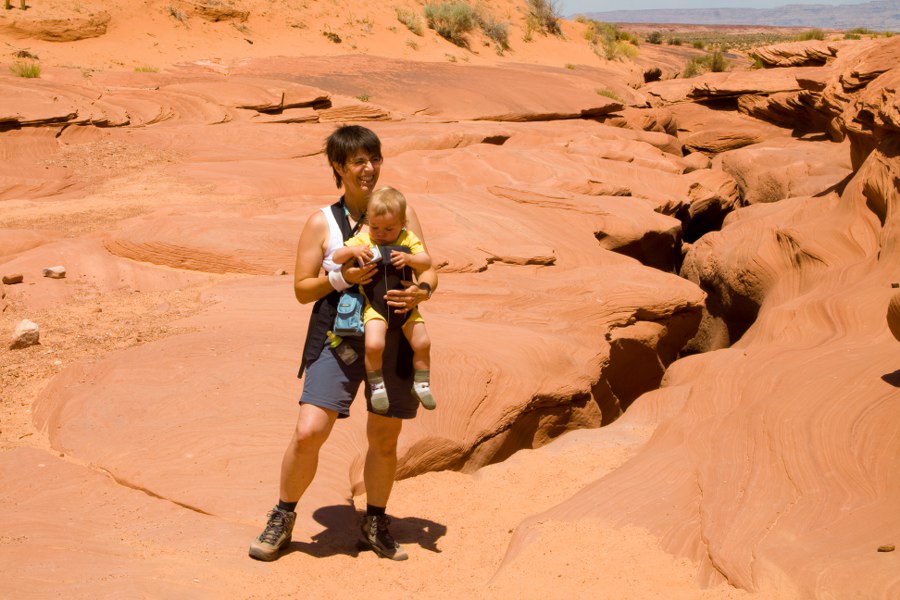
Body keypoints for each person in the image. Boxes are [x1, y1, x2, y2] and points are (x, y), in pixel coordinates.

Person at [249, 125, 437, 563]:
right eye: (358, 161)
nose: (369, 168)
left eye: (375, 158)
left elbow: (430, 269)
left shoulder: (400, 213)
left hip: (392, 335)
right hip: (337, 338)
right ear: (338, 166)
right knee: (309, 430)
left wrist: (421, 293)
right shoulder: (322, 222)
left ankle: (374, 521)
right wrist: (343, 278)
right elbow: (302, 289)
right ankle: (283, 514)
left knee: (385, 438)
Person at [332, 187, 436, 414]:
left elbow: (426, 261)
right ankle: (377, 386)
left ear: (402, 222)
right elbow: (336, 257)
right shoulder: (363, 239)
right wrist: (354, 252)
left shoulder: (408, 238)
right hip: (375, 308)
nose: (380, 233)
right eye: (375, 227)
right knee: (374, 344)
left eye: (389, 228)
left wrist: (409, 258)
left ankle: (422, 384)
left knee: (423, 343)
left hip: (407, 307)